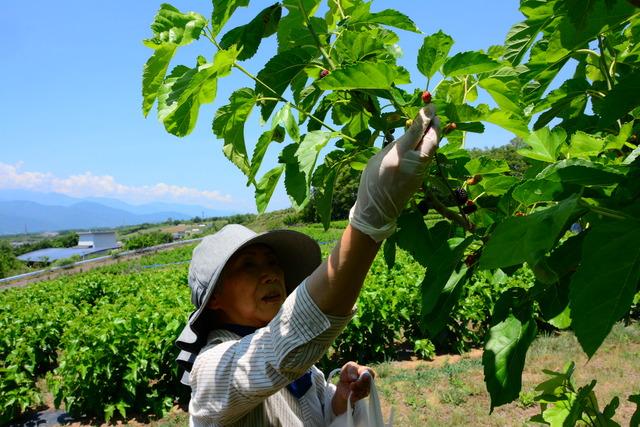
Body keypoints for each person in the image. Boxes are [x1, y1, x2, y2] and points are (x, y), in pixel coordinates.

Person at [175, 106, 440, 426]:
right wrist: (369, 222)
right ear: (214, 297)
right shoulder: (211, 370)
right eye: (248, 266)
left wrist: (340, 398)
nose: (270, 273)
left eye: (272, 262)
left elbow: (306, 401)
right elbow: (272, 353)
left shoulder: (305, 369)